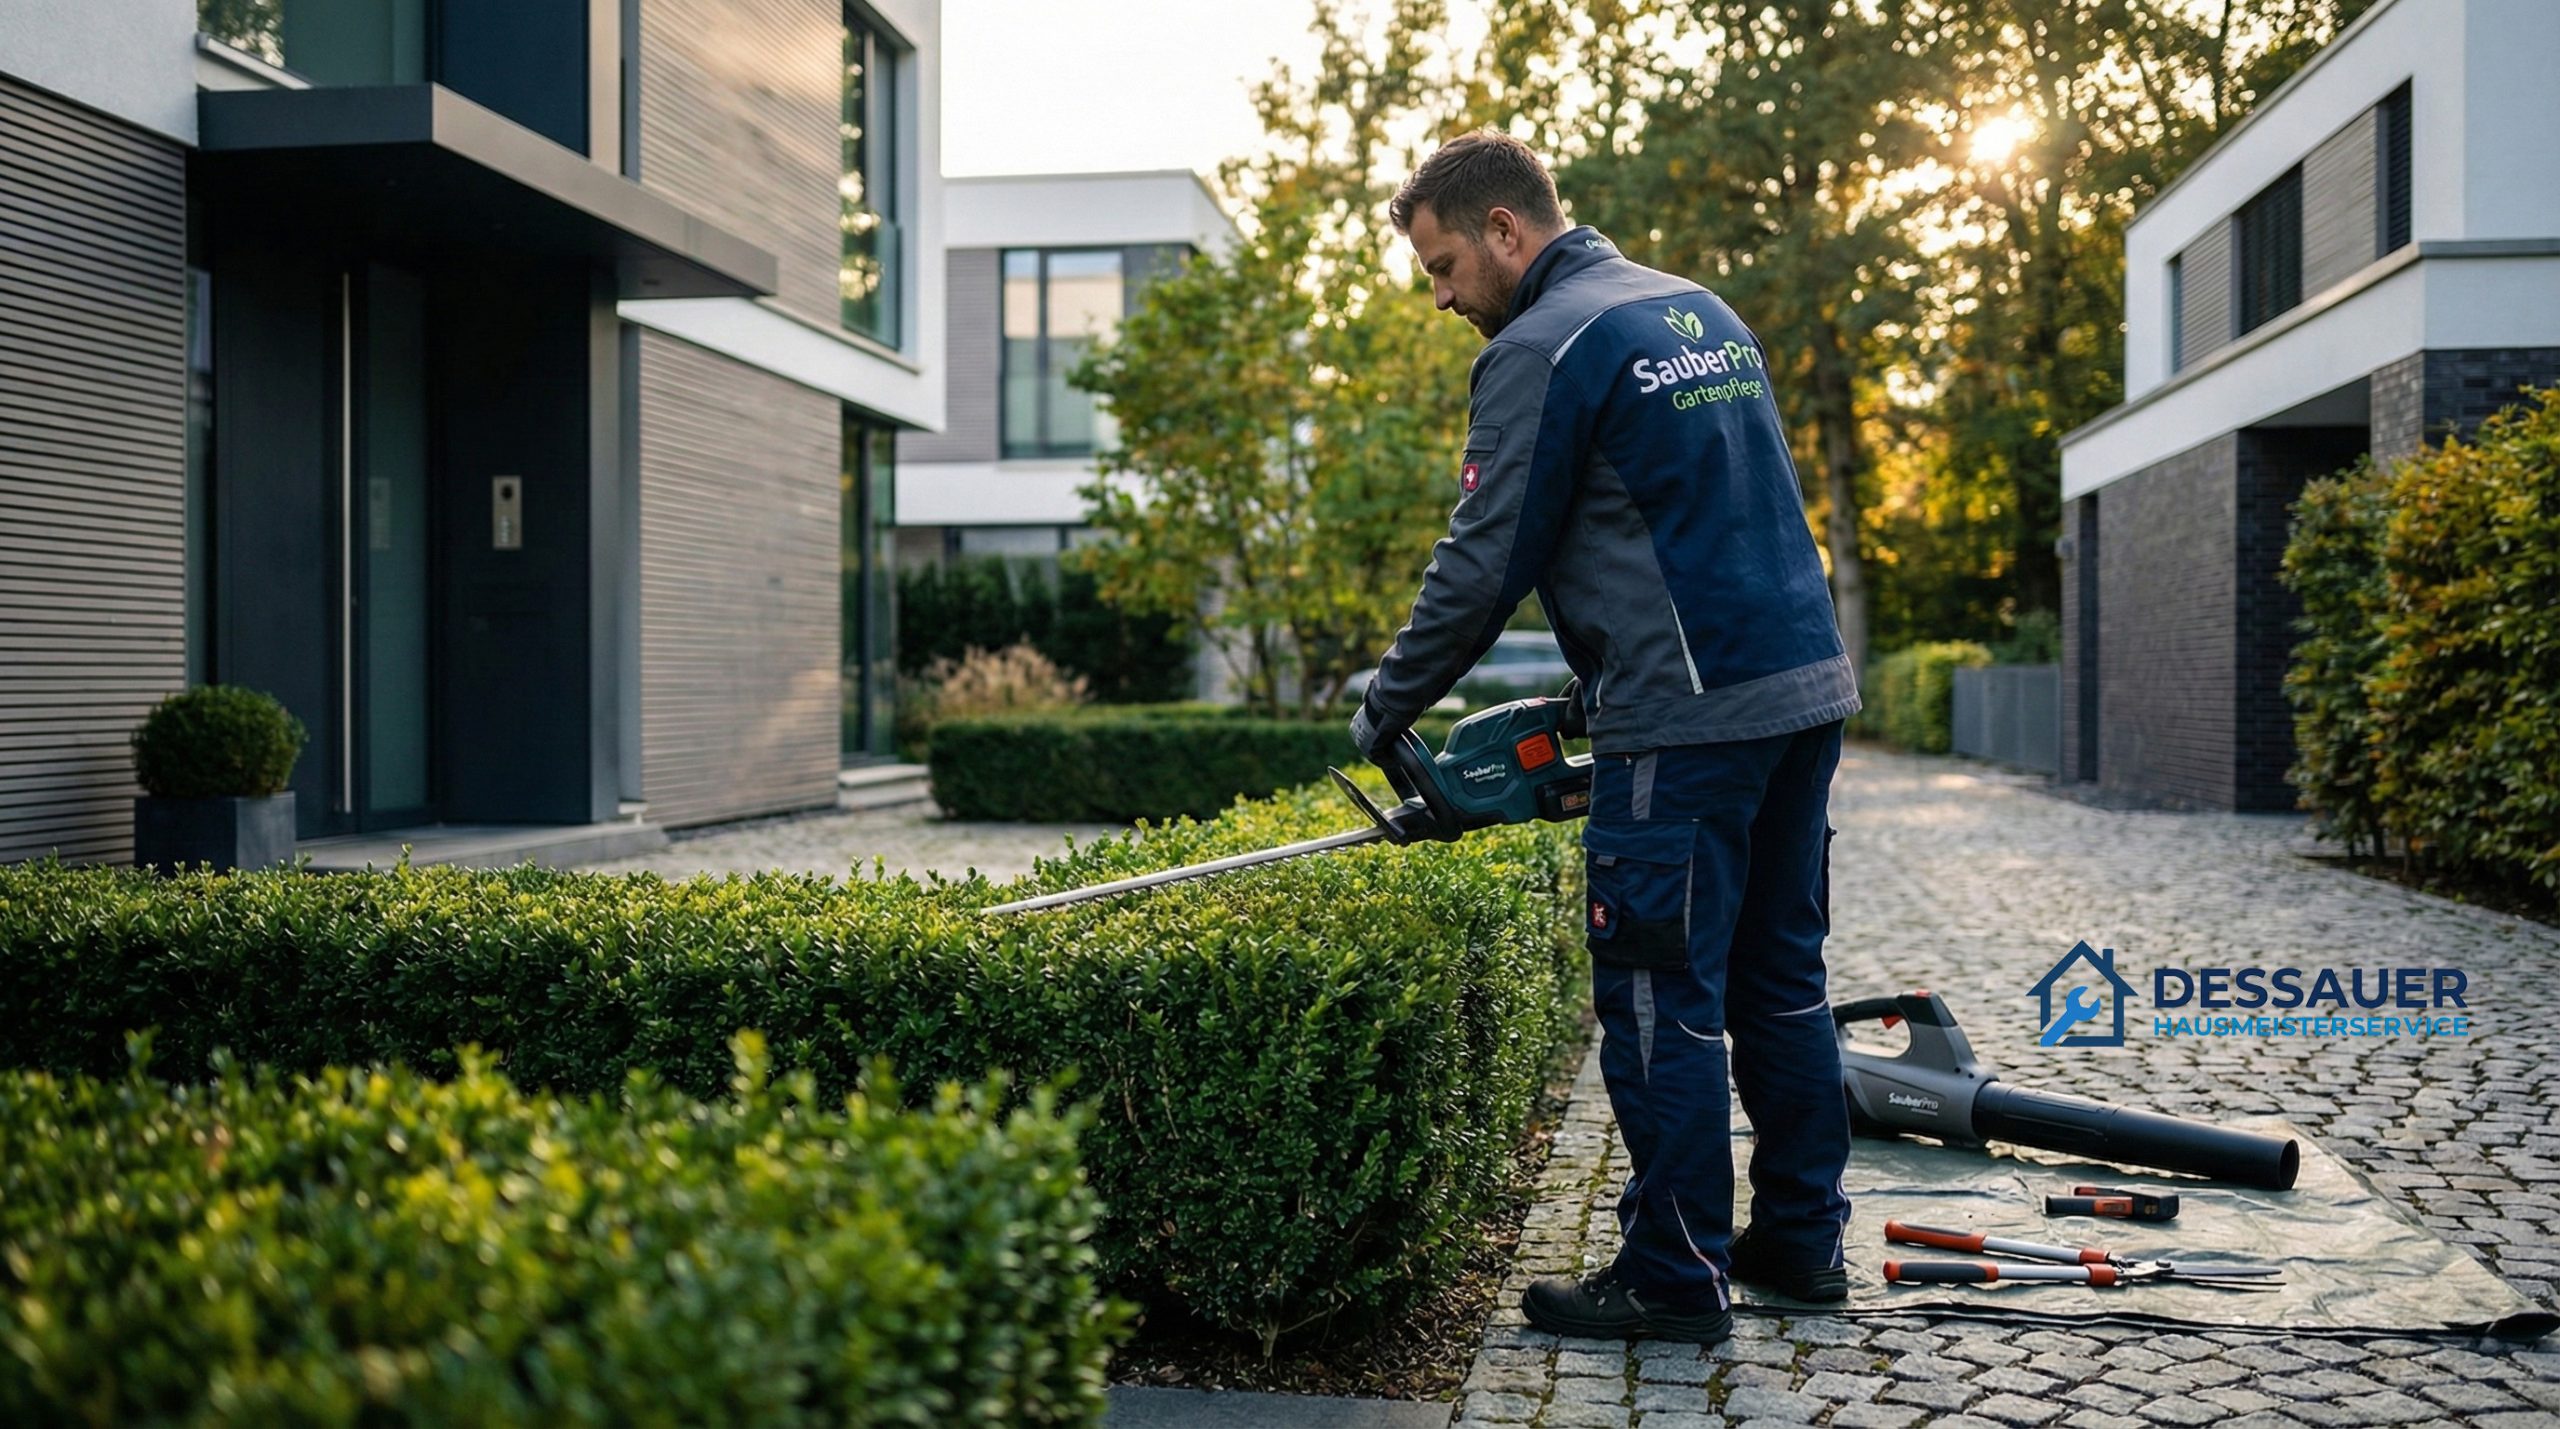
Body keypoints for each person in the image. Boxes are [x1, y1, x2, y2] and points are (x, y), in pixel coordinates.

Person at [1348, 130, 1861, 1344]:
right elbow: (1701, 525)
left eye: (1441, 265)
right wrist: (1590, 696)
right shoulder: (1696, 311)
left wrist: (1388, 702)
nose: (1439, 295)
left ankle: (1675, 1279)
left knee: (1652, 994)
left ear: (1505, 234)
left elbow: (1486, 558)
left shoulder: (1540, 345)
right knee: (1780, 979)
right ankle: (1800, 1242)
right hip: (1801, 688)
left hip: (1686, 725)